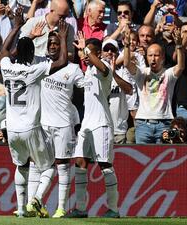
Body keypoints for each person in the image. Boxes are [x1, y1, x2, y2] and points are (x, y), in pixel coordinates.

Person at [0, 8, 68, 218]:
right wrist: (63, 39)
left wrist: (19, 28)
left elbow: (4, 51)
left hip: (11, 128)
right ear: (31, 54)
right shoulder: (33, 71)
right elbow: (62, 62)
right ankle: (36, 200)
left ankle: (21, 209)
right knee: (48, 168)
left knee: (21, 166)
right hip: (31, 127)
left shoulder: (6, 66)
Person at [67, 37, 119, 218]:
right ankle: (81, 209)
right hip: (87, 124)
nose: (85, 54)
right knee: (80, 163)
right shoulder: (88, 71)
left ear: (97, 52)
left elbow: (103, 68)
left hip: (101, 123)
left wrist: (86, 50)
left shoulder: (104, 66)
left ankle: (113, 208)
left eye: (89, 51)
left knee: (105, 164)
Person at [38, 31, 84, 218]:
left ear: (63, 44)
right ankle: (36, 203)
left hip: (64, 124)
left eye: (56, 42)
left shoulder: (73, 69)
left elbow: (85, 89)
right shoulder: (42, 66)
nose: (52, 45)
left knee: (63, 166)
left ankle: (61, 207)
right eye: (50, 42)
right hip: (43, 124)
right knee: (39, 166)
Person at [124, 27, 185, 144]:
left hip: (164, 123)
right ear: (146, 57)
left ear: (162, 57)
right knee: (142, 160)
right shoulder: (142, 73)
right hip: (143, 124)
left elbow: (181, 66)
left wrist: (179, 46)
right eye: (150, 55)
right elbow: (127, 64)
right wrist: (126, 46)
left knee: (163, 160)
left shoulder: (168, 74)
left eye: (156, 55)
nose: (153, 59)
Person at [101, 38, 133, 144]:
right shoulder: (94, 71)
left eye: (112, 49)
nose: (109, 52)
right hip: (100, 128)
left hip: (118, 131)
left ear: (117, 53)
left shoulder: (124, 71)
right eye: (106, 49)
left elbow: (129, 90)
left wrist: (113, 74)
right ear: (101, 53)